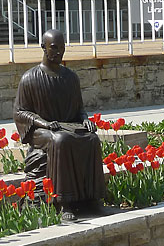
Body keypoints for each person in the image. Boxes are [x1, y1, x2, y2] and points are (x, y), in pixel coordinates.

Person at [13, 29, 106, 221]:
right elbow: (20, 112)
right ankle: (64, 203)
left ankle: (93, 199)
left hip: (67, 126)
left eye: (62, 48)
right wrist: (44, 123)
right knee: (61, 141)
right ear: (43, 47)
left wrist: (86, 120)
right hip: (41, 131)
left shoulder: (70, 78)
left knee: (92, 139)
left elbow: (79, 109)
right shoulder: (30, 78)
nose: (58, 52)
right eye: (54, 48)